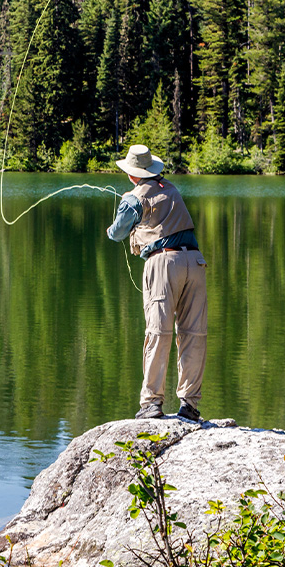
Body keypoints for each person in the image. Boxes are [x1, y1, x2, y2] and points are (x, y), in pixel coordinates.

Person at [106, 144, 207, 422]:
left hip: (164, 264)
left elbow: (117, 233)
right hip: (196, 263)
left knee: (158, 333)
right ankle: (190, 405)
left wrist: (110, 229)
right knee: (193, 334)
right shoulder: (170, 188)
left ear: (131, 174)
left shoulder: (134, 197)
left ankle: (151, 403)